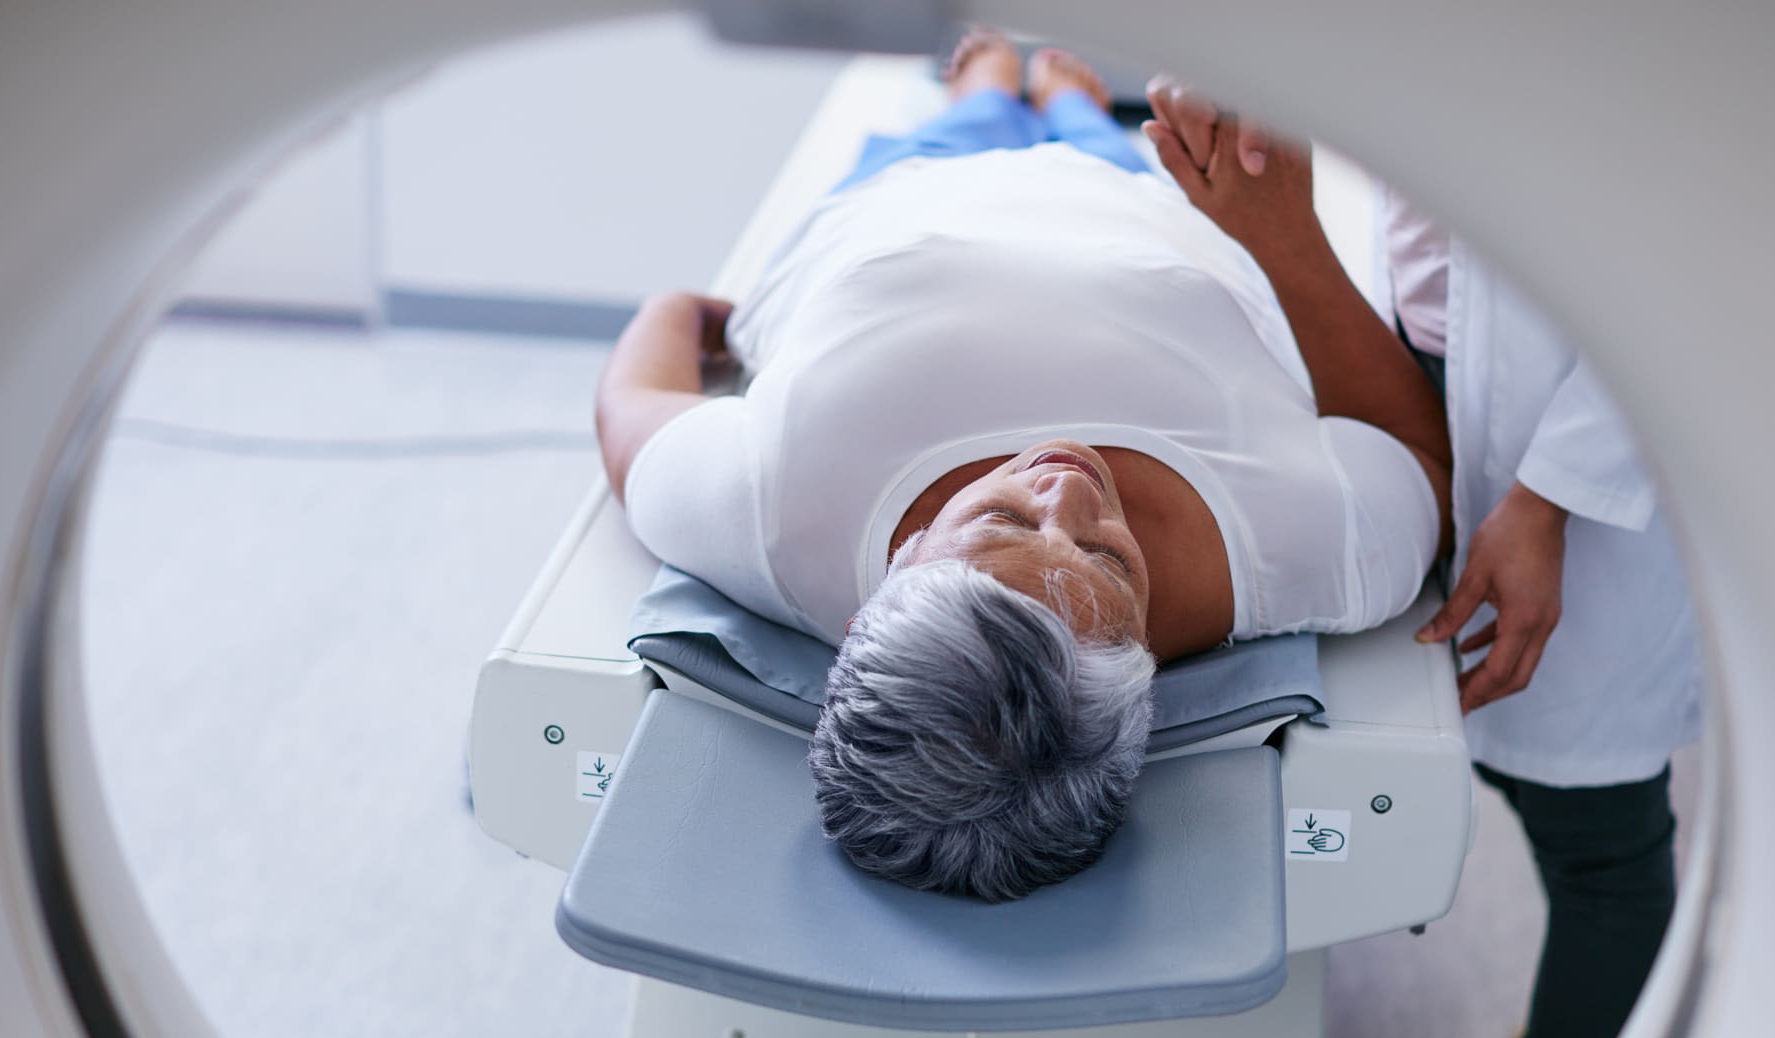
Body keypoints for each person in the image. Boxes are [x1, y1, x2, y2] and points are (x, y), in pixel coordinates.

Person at [596, 33, 1454, 902]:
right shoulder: (1310, 555)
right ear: (1145, 671)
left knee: (969, 109)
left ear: (872, 605)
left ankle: (989, 84)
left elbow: (629, 414)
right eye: (1113, 561)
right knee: (1091, 127)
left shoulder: (768, 519)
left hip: (904, 200)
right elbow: (1416, 455)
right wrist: (1286, 237)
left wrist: (675, 313)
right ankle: (1063, 99)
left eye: (1000, 521)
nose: (1070, 486)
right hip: (1137, 210)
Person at [1143, 81, 1701, 1038]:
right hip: (1430, 336)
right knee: (1485, 739)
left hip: (1566, 411)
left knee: (1600, 839)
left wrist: (1547, 498)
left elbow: (1696, 251)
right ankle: (1587, 1032)